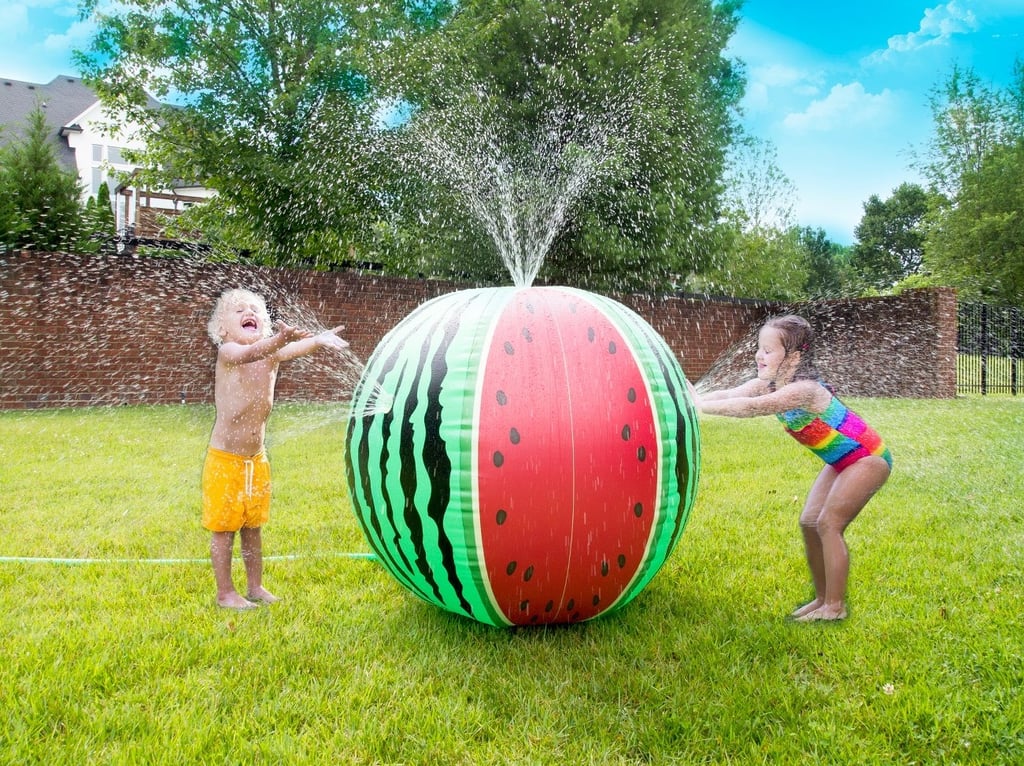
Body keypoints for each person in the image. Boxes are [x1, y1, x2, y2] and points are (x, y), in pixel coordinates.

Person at [691, 314, 891, 622]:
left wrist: (700, 407)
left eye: (768, 350)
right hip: (841, 461)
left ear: (794, 357)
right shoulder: (766, 384)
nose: (759, 355)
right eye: (759, 348)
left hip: (867, 459)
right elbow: (731, 395)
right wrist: (692, 398)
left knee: (828, 524)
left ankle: (835, 607)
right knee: (809, 522)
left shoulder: (805, 390)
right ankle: (822, 599)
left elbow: (750, 408)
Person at [203, 288, 349, 610]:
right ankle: (226, 592)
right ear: (223, 328)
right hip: (226, 460)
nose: (248, 313)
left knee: (253, 526)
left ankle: (255, 586)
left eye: (255, 309)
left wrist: (318, 340)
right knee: (225, 528)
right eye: (239, 310)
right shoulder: (229, 351)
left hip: (257, 459)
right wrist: (278, 341)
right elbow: (251, 354)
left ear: (265, 323)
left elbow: (293, 348)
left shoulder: (272, 351)